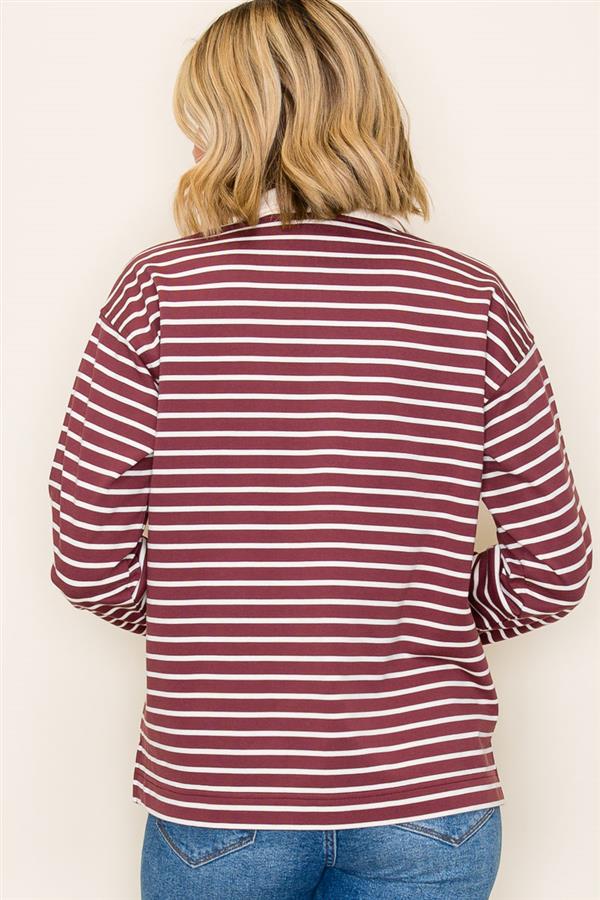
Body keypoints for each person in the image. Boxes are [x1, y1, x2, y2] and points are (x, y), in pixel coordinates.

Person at [47, 1, 593, 898]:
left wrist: (216, 623)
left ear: (236, 126)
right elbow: (555, 569)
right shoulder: (472, 299)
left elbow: (86, 560)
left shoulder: (158, 293)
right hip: (431, 797)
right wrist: (416, 616)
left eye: (199, 117)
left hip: (221, 788)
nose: (189, 141)